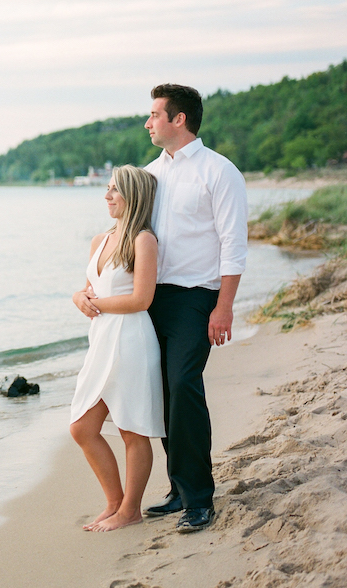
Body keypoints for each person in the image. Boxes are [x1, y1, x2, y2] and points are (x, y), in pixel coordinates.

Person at [140, 84, 248, 534]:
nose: (148, 123)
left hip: (195, 298)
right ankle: (179, 488)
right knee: (160, 392)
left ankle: (199, 499)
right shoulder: (148, 173)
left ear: (178, 119)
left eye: (154, 115)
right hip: (149, 299)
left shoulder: (219, 171)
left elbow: (233, 244)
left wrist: (223, 307)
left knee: (184, 387)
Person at [70, 165, 165, 532]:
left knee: (132, 430)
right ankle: (114, 501)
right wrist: (79, 296)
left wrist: (96, 304)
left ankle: (131, 510)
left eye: (114, 190)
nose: (107, 196)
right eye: (107, 189)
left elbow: (142, 299)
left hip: (130, 341)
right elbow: (88, 288)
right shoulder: (100, 240)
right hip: (102, 340)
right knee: (82, 428)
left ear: (133, 195)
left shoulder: (143, 240)